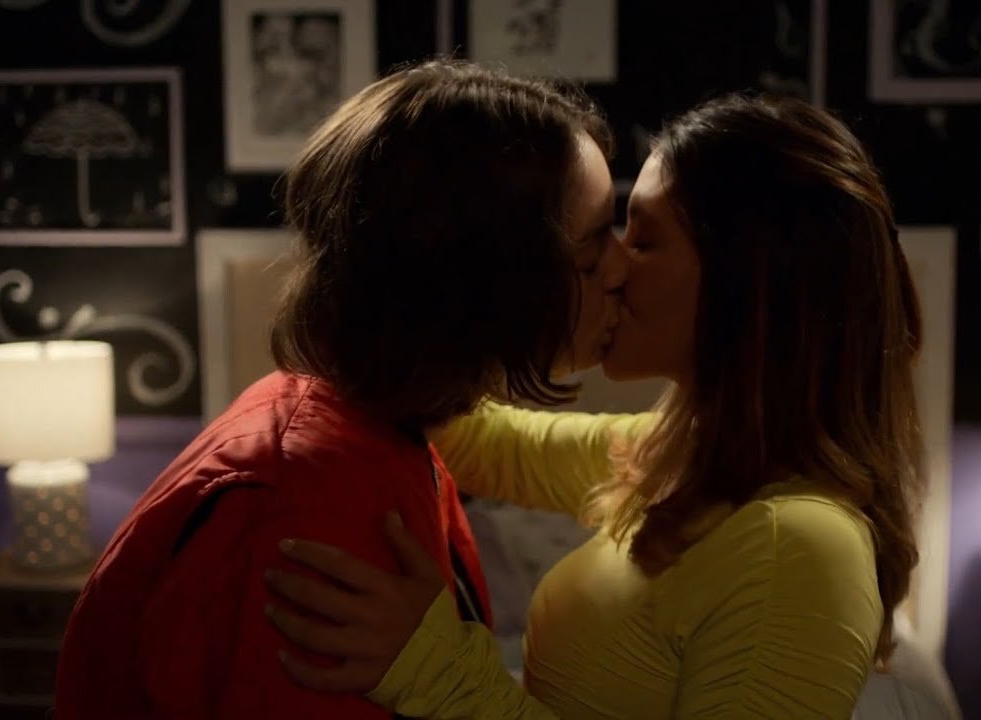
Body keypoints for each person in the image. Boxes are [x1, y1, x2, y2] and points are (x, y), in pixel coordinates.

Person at [261, 94, 925, 718]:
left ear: (747, 285)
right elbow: (477, 440)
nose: (614, 266)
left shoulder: (798, 546)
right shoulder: (683, 458)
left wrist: (438, 669)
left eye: (643, 239)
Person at [53, 60, 638, 720]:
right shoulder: (311, 504)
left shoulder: (383, 426)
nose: (623, 268)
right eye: (592, 250)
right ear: (486, 282)